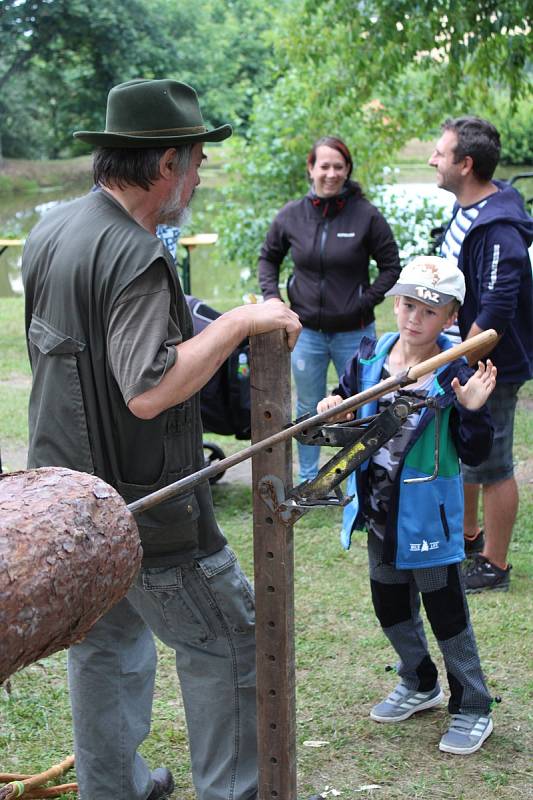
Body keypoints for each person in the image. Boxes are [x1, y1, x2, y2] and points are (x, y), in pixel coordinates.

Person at [21, 78, 301, 800]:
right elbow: (147, 388)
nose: (202, 175)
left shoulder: (54, 226)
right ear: (166, 164)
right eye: (198, 160)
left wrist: (203, 321)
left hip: (69, 501)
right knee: (231, 641)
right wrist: (238, 324)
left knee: (105, 647)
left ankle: (113, 789)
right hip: (148, 506)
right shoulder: (136, 254)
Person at [318, 256, 497, 755]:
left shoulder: (457, 369)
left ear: (450, 318)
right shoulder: (373, 354)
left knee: (447, 614)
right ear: (396, 304)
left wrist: (473, 412)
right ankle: (420, 681)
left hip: (427, 517)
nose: (415, 318)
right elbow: (351, 401)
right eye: (408, 304)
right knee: (389, 605)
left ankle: (473, 705)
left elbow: (476, 451)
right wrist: (336, 403)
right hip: (377, 510)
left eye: (429, 310)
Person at [429, 116, 533, 593]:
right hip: (467, 355)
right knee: (468, 452)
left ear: (465, 164)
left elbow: (496, 306)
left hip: (492, 364)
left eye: (440, 152)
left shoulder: (499, 227)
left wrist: (464, 364)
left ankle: (495, 564)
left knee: (493, 464)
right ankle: (469, 538)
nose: (432, 159)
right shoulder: (469, 211)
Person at [258, 136, 401, 482]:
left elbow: (391, 267)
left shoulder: (366, 215)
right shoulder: (292, 215)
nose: (332, 174)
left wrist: (363, 302)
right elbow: (268, 258)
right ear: (311, 168)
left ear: (348, 170)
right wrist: (272, 298)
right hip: (305, 332)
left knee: (357, 404)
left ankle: (354, 474)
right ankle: (310, 478)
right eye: (324, 166)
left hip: (356, 332)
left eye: (339, 166)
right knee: (308, 407)